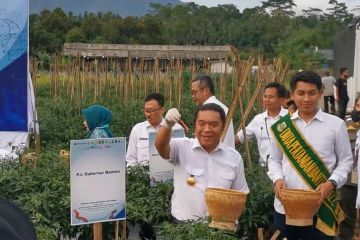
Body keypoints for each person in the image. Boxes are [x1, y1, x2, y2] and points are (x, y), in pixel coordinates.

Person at [268, 70, 353, 239]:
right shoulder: (281, 127)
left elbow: (346, 161)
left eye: (312, 93)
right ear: (292, 94)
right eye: (301, 93)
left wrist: (331, 183)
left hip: (320, 208)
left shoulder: (336, 125)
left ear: (320, 93)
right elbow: (274, 160)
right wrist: (277, 179)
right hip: (285, 207)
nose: (306, 99)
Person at [155, 103, 249, 222]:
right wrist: (167, 124)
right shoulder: (182, 147)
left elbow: (240, 194)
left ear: (223, 127)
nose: (207, 129)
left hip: (219, 227)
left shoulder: (234, 157)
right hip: (183, 225)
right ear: (195, 125)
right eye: (201, 123)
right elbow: (161, 146)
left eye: (213, 124)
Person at [235, 82, 288, 167]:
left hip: (286, 169)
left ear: (281, 100)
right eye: (265, 96)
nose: (267, 100)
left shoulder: (290, 118)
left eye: (271, 97)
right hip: (264, 171)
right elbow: (240, 137)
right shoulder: (258, 119)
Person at [82, 104, 113, 239]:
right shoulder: (102, 131)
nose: (84, 122)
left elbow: (93, 162)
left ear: (95, 118)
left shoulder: (97, 135)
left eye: (86, 119)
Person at [126, 93, 182, 167]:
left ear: (162, 110)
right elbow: (131, 159)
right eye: (146, 110)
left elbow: (182, 157)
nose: (148, 114)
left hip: (170, 176)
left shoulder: (176, 128)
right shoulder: (137, 129)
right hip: (143, 176)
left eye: (151, 110)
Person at [191, 75, 235, 148]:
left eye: (194, 92)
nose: (193, 96)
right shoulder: (221, 106)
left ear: (206, 90)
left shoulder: (209, 110)